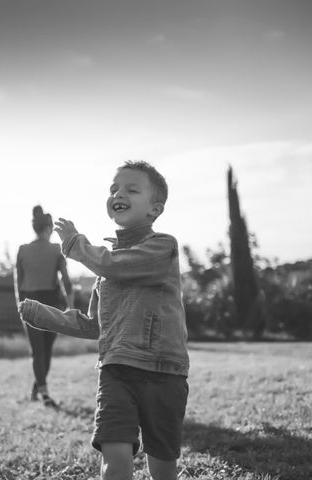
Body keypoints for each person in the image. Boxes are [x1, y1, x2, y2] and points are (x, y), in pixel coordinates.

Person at [19, 161, 189, 480]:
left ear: (155, 208)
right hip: (115, 371)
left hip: (162, 372)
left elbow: (117, 265)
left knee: (163, 465)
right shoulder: (105, 272)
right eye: (113, 189)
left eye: (131, 189)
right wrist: (42, 314)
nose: (118, 194)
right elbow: (93, 325)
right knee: (114, 454)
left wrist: (74, 245)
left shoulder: (162, 247)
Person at [15, 205, 73, 408]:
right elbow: (66, 281)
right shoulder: (56, 250)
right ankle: (44, 392)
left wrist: (20, 307)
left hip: (28, 302)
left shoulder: (22, 250)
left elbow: (18, 283)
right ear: (49, 228)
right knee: (46, 351)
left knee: (37, 351)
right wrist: (71, 305)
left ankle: (39, 387)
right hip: (51, 303)